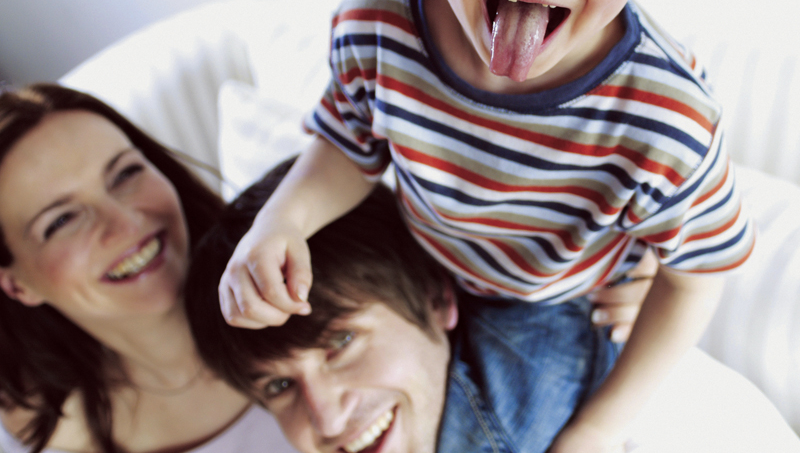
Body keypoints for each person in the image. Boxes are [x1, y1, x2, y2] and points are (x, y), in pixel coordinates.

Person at [219, 0, 756, 450]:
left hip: (555, 299)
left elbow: (699, 276)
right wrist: (284, 221)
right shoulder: (375, 25)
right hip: (423, 261)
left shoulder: (666, 119)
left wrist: (596, 431)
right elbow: (347, 147)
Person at [191, 162, 798, 453]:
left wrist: (627, 267)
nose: (324, 420)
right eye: (276, 386)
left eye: (342, 342)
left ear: (437, 298)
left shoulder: (578, 355)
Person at [0, 84, 295, 453]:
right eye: (61, 221)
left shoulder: (311, 287)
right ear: (15, 285)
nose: (126, 223)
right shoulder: (30, 435)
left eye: (124, 174)